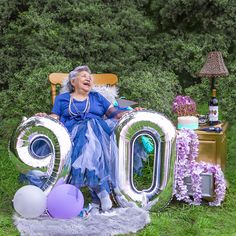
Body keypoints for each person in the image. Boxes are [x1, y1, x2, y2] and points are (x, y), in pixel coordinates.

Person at [36, 65, 142, 211]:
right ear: (73, 82)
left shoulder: (97, 97)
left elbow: (115, 113)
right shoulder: (62, 99)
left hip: (99, 135)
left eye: (90, 77)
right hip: (71, 135)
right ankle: (101, 189)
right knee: (85, 136)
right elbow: (55, 117)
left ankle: (96, 189)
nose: (88, 78)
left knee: (91, 129)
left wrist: (132, 112)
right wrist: (45, 117)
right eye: (84, 75)